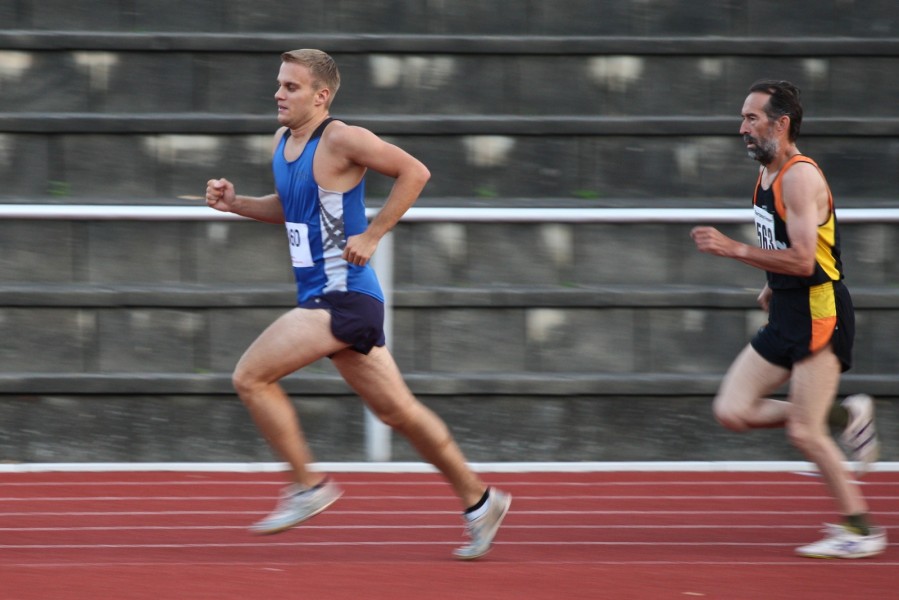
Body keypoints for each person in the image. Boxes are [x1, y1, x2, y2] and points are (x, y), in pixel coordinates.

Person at [204, 48, 510, 560]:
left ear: (321, 96)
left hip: (344, 296)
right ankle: (481, 501)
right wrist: (237, 204)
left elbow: (415, 171)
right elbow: (291, 208)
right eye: (279, 84)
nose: (278, 94)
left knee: (250, 377)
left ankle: (308, 486)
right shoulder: (283, 142)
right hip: (325, 297)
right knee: (400, 413)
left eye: (291, 87)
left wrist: (372, 234)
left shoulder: (342, 137)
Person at [690, 79, 885, 559]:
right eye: (742, 118)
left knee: (803, 431)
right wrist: (767, 287)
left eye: (751, 119)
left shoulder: (799, 176)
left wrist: (733, 249)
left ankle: (861, 530)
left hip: (820, 311)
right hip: (788, 307)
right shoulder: (765, 172)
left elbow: (804, 261)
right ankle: (847, 413)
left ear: (781, 123)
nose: (742, 129)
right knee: (733, 409)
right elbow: (784, 246)